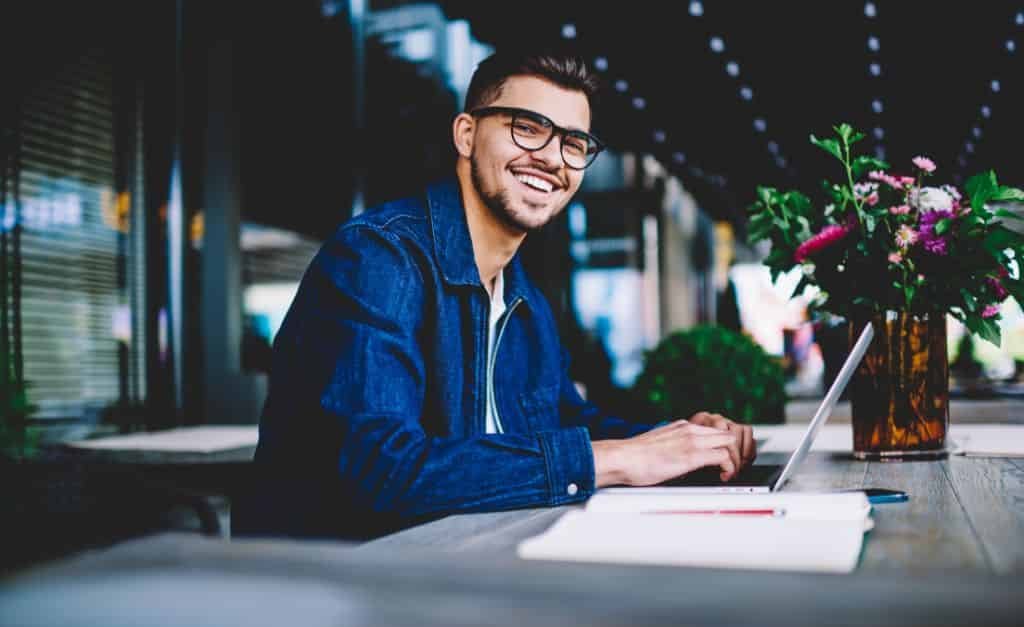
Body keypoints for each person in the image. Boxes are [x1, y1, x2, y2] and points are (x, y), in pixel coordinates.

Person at [243, 48, 757, 540]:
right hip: (341, 582)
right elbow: (382, 470)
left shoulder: (522, 297)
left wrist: (684, 440)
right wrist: (621, 459)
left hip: (473, 557)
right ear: (466, 134)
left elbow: (568, 422)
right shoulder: (379, 259)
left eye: (573, 144)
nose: (552, 158)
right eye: (527, 128)